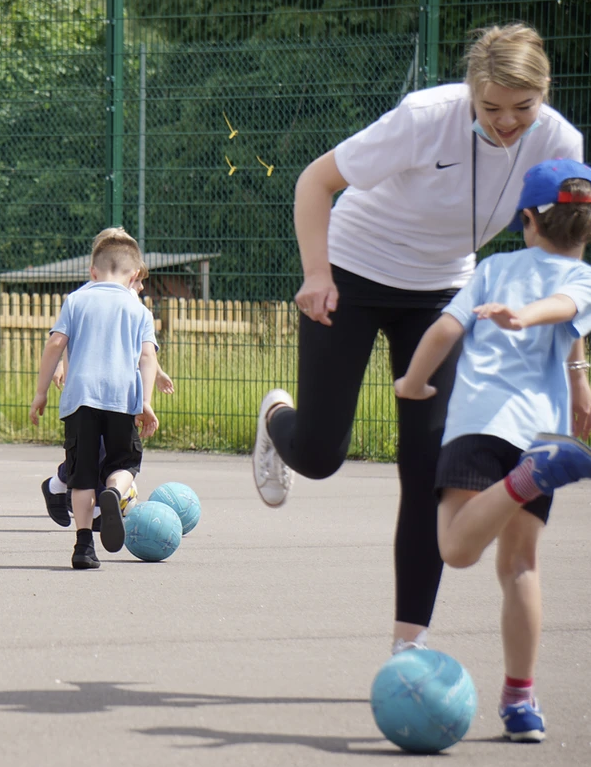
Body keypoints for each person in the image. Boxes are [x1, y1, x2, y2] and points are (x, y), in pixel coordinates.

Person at [250, 23, 586, 654]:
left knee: (428, 471)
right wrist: (316, 274)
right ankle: (277, 421)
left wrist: (575, 368)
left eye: (522, 108)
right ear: (470, 95)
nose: (507, 122)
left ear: (544, 94)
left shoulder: (560, 142)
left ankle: (410, 645)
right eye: (490, 109)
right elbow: (314, 182)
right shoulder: (424, 118)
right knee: (321, 455)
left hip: (441, 293)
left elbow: (559, 262)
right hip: (352, 271)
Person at [393, 159, 591, 743]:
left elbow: (446, 330)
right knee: (521, 565)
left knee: (455, 547)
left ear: (527, 218)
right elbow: (564, 314)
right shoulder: (582, 279)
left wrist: (412, 382)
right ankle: (521, 702)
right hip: (546, 432)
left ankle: (524, 479)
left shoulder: (494, 268)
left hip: (484, 422)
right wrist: (562, 354)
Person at [30, 227, 159, 569]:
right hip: (122, 399)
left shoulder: (76, 300)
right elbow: (147, 357)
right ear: (134, 276)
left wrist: (41, 392)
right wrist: (146, 402)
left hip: (80, 400)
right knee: (123, 464)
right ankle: (115, 492)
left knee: (83, 476)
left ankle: (83, 547)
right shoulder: (139, 311)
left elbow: (55, 344)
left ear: (92, 272)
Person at [41, 264, 174, 529]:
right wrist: (58, 368)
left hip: (115, 395)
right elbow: (67, 341)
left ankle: (91, 511)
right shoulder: (85, 298)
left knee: (99, 455)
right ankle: (96, 497)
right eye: (138, 283)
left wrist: (156, 373)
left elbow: (144, 351)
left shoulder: (126, 303)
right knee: (102, 457)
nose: (140, 288)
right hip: (94, 394)